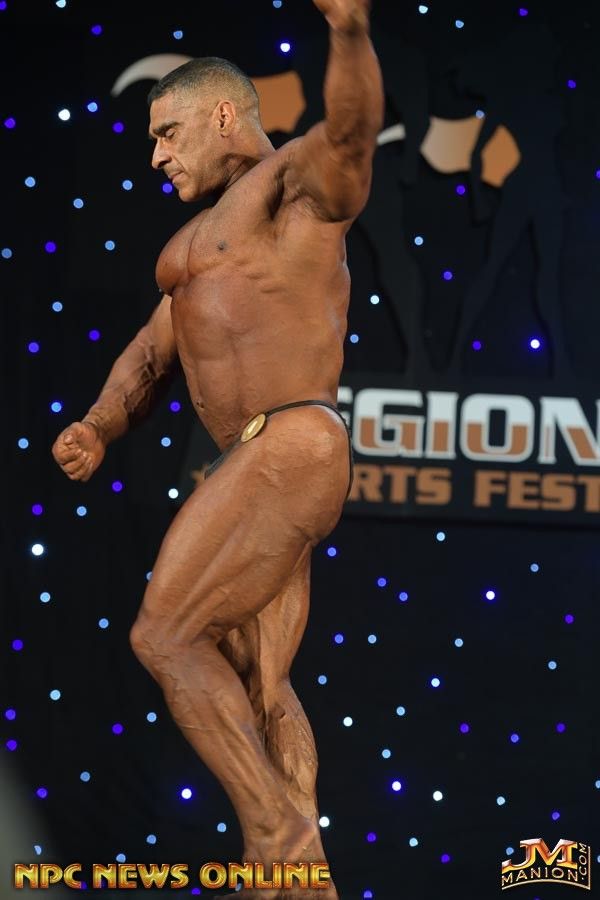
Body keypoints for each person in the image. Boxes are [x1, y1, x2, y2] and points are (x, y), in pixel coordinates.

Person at [52, 1, 383, 895]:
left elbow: (351, 136)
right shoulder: (192, 248)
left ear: (223, 115)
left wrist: (349, 32)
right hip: (256, 460)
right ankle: (302, 880)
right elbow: (151, 351)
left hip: (291, 444)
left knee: (163, 635)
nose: (156, 156)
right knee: (260, 682)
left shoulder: (290, 187)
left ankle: (277, 835)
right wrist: (99, 424)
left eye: (167, 134)